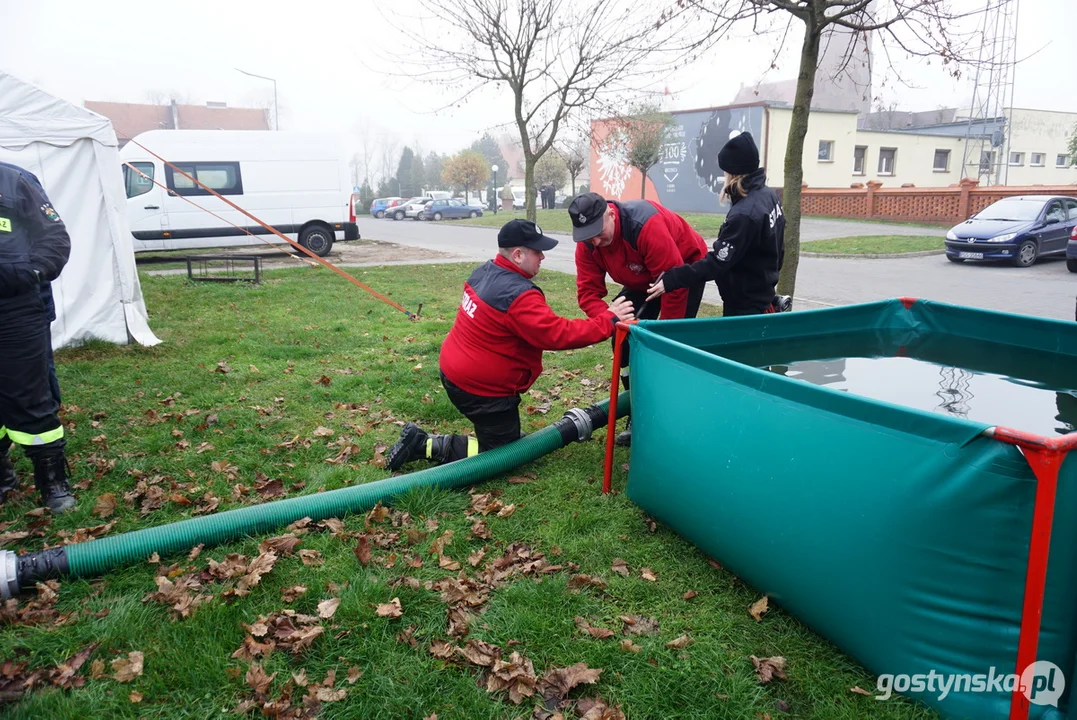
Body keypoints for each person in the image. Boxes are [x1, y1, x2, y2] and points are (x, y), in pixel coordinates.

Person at [387, 219, 635, 471]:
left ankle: (494, 438)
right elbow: (558, 334)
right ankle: (424, 444)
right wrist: (608, 318)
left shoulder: (485, 271)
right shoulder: (517, 295)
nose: (542, 257)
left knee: (509, 443)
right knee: (504, 456)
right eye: (537, 251)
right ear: (517, 255)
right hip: (482, 392)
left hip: (457, 373)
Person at [568, 191, 709, 445]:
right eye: (589, 237)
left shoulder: (644, 226)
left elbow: (674, 287)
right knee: (623, 342)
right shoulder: (588, 243)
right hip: (643, 279)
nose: (596, 242)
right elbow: (588, 293)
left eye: (600, 233)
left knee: (668, 349)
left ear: (611, 213)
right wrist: (611, 318)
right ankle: (637, 412)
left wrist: (663, 334)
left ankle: (668, 416)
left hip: (681, 271)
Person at [0, 161, 76, 512]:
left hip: (14, 308)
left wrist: (30, 272)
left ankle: (52, 481)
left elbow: (54, 238)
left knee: (29, 395)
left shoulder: (13, 180)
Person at [646, 131, 786, 318]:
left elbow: (717, 263)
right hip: (761, 295)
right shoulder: (768, 196)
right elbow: (780, 247)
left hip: (746, 306)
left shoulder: (744, 214)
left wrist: (673, 278)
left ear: (732, 171)